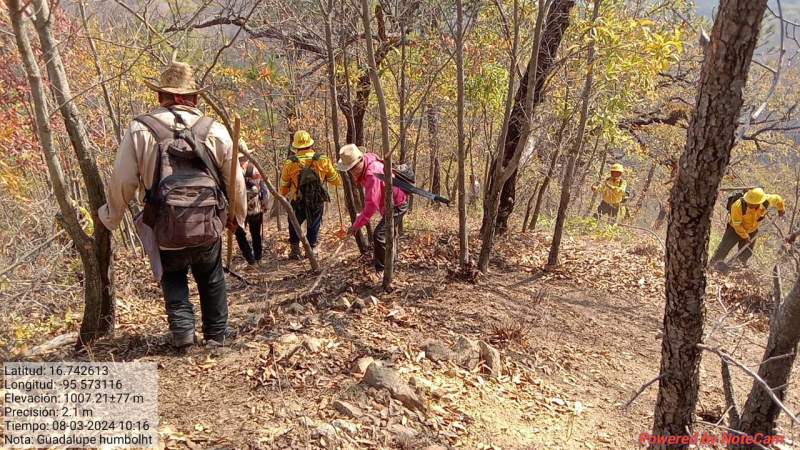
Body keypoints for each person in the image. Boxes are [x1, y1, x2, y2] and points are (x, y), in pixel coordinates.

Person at [98, 60, 246, 348]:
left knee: (173, 275)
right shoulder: (215, 129)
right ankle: (216, 335)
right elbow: (235, 182)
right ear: (188, 97)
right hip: (207, 224)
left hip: (165, 225)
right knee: (211, 276)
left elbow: (123, 180)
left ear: (163, 96)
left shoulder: (140, 129)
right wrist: (236, 218)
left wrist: (111, 217)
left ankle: (183, 334)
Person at [338, 144, 409, 274]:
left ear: (360, 160)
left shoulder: (372, 173)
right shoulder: (368, 162)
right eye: (350, 169)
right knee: (388, 233)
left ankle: (382, 270)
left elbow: (371, 205)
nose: (353, 171)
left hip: (397, 204)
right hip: (389, 205)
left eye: (354, 167)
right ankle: (392, 262)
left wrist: (355, 226)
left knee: (379, 235)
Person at [279, 130, 341, 259]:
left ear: (295, 146)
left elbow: (284, 186)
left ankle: (295, 251)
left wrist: (284, 194)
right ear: (310, 144)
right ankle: (311, 250)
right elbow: (335, 180)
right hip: (316, 199)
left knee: (294, 222)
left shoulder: (290, 163)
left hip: (298, 199)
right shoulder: (322, 159)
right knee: (314, 223)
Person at [710, 187, 785, 267]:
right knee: (723, 249)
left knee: (746, 253)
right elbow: (737, 225)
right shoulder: (737, 206)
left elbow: (778, 199)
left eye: (753, 204)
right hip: (734, 230)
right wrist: (745, 236)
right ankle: (712, 267)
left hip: (752, 230)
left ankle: (735, 268)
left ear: (759, 202)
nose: (750, 204)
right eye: (749, 202)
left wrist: (781, 209)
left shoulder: (766, 200)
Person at [235, 145, 269, 265]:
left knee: (239, 234)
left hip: (238, 209)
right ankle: (258, 257)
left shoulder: (231, 169)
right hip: (255, 207)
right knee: (256, 234)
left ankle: (250, 258)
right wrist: (265, 202)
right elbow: (263, 186)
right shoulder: (254, 167)